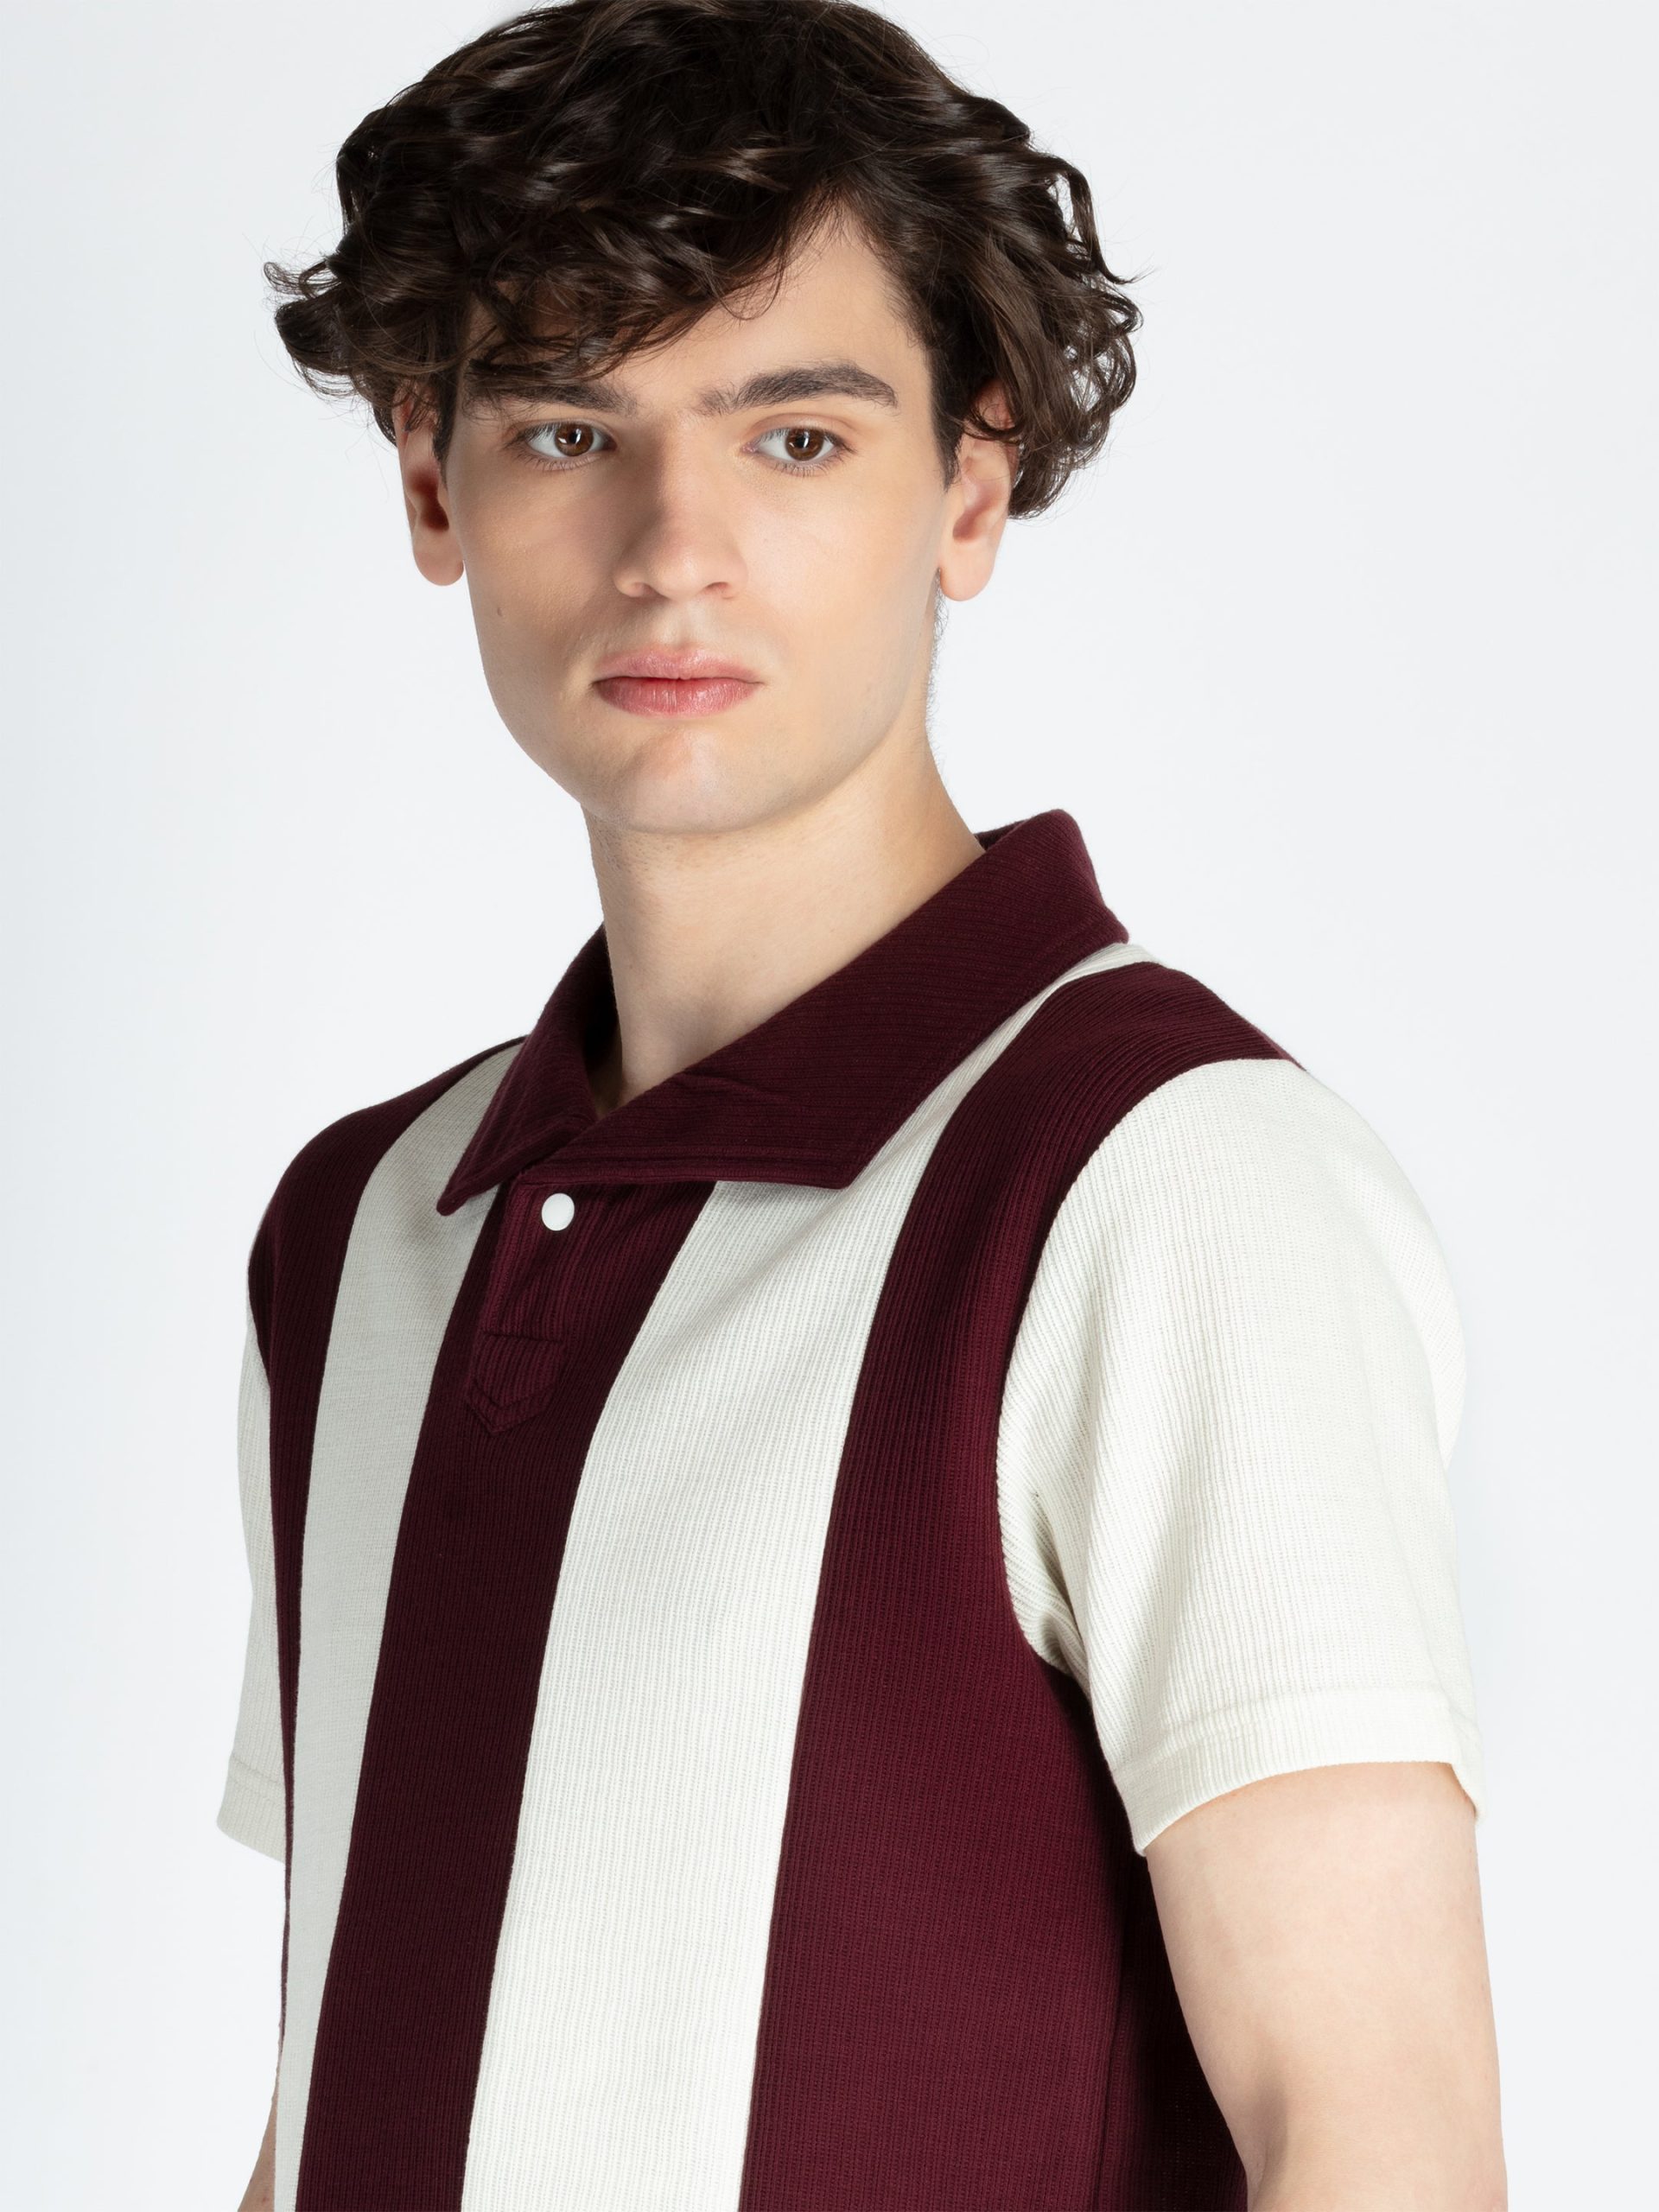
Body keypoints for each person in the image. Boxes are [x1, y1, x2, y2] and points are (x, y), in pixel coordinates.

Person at [219, 3, 1505, 2207]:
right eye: (565, 429)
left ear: (970, 484)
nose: (673, 546)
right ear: (433, 480)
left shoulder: (1163, 1182)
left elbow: (1377, 2131)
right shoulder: (358, 1228)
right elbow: (333, 2080)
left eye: (796, 437)